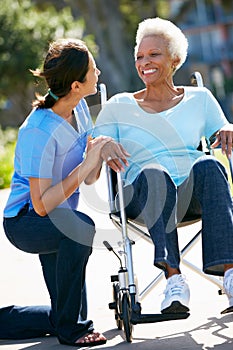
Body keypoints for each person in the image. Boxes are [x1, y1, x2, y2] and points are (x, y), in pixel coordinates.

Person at [93, 17, 233, 315]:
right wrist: (103, 145)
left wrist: (229, 127)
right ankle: (174, 281)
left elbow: (222, 133)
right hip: (140, 194)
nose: (145, 63)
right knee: (155, 174)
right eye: (139, 57)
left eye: (154, 54)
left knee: (209, 165)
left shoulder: (200, 99)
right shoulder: (118, 105)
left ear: (175, 60)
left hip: (191, 195)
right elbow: (94, 149)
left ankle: (231, 274)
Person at [1, 38, 128, 346]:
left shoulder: (81, 109)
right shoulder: (37, 131)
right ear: (75, 85)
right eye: (92, 69)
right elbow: (41, 206)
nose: (98, 72)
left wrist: (101, 150)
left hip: (60, 218)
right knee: (80, 228)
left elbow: (88, 178)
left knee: (61, 312)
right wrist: (87, 164)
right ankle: (73, 332)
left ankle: (49, 322)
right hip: (26, 222)